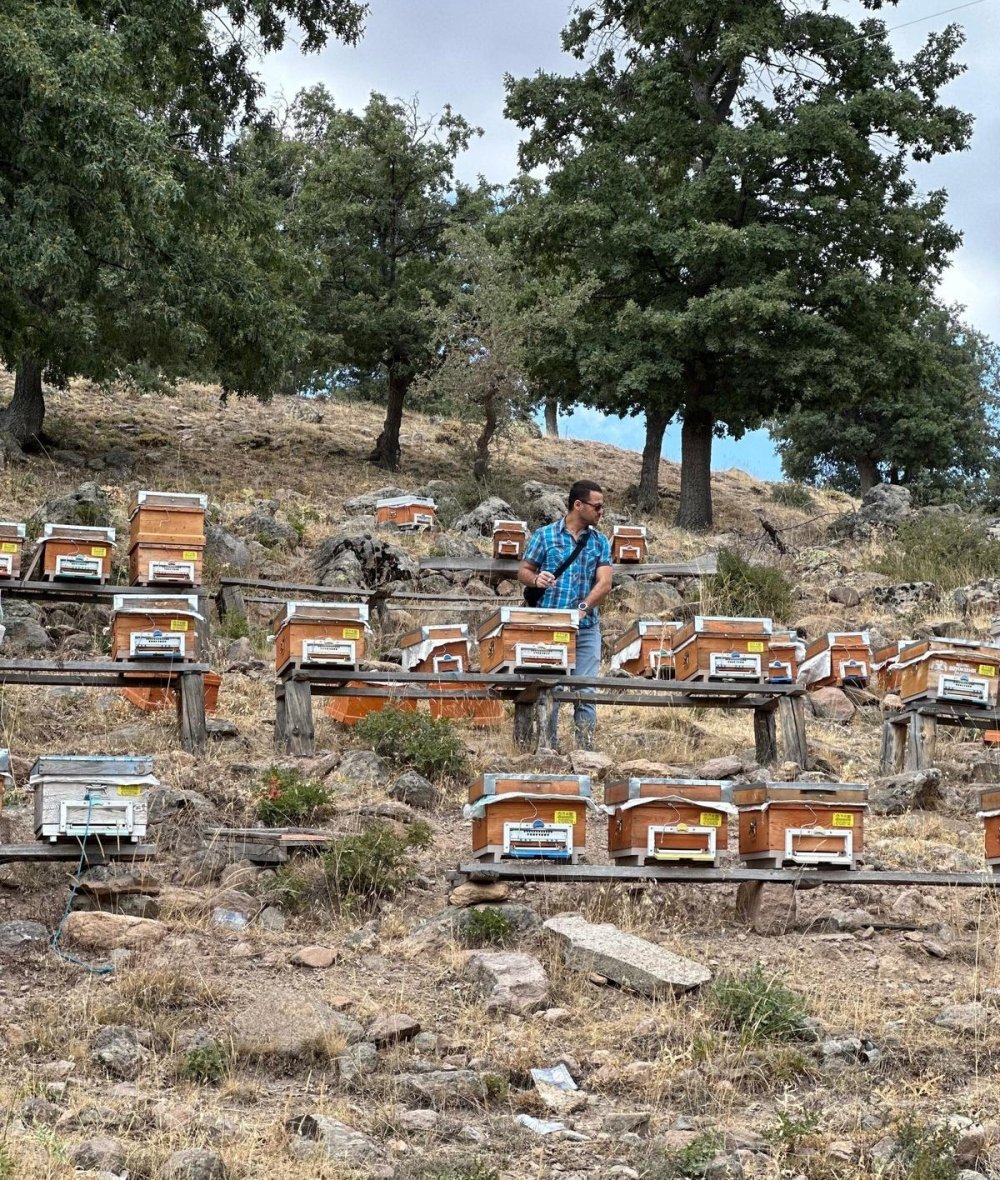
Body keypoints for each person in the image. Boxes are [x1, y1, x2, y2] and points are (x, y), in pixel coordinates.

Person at [518, 479, 613, 749]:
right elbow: (523, 570)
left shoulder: (599, 542)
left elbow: (605, 583)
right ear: (578, 505)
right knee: (551, 687)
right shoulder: (544, 535)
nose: (601, 512)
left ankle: (586, 751)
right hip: (550, 626)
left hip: (586, 628)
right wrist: (536, 579)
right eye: (597, 506)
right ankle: (547, 747)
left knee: (585, 689)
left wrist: (583, 608)